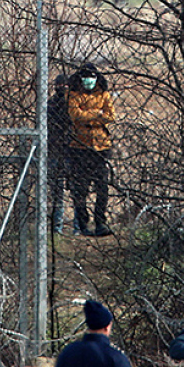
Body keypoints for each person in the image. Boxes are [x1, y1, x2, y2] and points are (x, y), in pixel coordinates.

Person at [68, 63, 115, 237]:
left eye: (92, 77)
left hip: (101, 147)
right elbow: (75, 115)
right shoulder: (73, 95)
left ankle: (100, 222)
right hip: (79, 147)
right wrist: (98, 114)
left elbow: (110, 115)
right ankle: (82, 223)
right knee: (81, 189)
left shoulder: (103, 94)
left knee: (102, 187)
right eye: (86, 77)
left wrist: (88, 116)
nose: (89, 80)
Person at [47, 74, 71, 233]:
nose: (61, 87)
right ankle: (57, 226)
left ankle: (74, 226)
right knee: (56, 191)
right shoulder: (51, 104)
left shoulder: (72, 104)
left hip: (69, 151)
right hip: (55, 150)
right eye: (59, 85)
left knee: (73, 189)